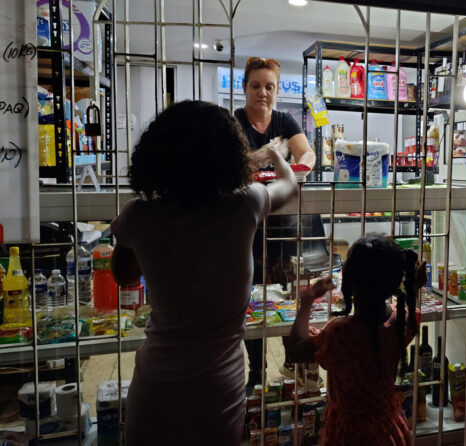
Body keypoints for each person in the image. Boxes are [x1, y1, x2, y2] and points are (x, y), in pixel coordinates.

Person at [110, 100, 297, 445]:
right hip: (218, 387)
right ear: (230, 154)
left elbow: (124, 275)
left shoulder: (138, 214)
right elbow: (289, 186)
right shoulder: (246, 204)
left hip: (155, 388)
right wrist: (276, 157)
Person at [284, 235, 424, 446]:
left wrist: (308, 300)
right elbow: (407, 308)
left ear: (350, 280)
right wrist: (414, 285)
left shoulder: (340, 333)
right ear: (393, 283)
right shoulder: (401, 320)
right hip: (390, 427)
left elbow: (295, 351)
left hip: (349, 432)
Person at [234, 56, 317, 387]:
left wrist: (298, 168)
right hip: (248, 222)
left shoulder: (285, 120)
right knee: (250, 295)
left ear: (277, 90)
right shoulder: (234, 122)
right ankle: (255, 371)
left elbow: (307, 154)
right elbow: (231, 165)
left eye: (269, 87)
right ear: (245, 88)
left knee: (288, 292)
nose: (262, 93)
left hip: (283, 221)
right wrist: (266, 154)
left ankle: (292, 361)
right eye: (256, 86)